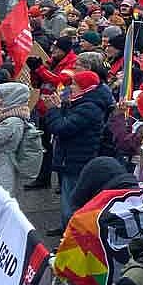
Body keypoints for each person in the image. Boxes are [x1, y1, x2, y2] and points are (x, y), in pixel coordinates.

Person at [45, 70, 114, 230]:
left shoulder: (89, 107)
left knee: (72, 203)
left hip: (77, 161)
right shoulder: (81, 102)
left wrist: (53, 110)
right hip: (71, 158)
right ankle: (66, 230)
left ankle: (70, 236)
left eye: (75, 84)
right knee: (68, 199)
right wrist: (60, 107)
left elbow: (62, 127)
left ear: (85, 87)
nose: (71, 87)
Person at [0, 82, 32, 193]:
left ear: (12, 98)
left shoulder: (11, 122)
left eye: (0, 97)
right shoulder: (3, 116)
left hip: (0, 172)